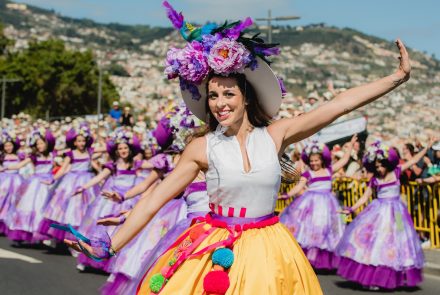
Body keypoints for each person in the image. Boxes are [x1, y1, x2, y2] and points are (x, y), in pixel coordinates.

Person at [65, 2, 411, 294]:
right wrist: (110, 245)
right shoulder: (201, 148)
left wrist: (395, 79)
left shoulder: (276, 135)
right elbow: (155, 199)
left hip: (269, 249)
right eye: (213, 95)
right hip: (213, 245)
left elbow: (338, 106)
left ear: (246, 98)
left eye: (228, 94)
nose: (219, 103)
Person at [336, 139, 434, 290]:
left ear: (387, 163)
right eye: (377, 166)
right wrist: (350, 208)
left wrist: (427, 146)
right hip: (379, 213)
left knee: (401, 238)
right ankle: (376, 277)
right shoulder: (374, 180)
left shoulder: (397, 171)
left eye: (381, 165)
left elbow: (414, 159)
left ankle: (398, 274)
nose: (379, 168)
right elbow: (365, 197)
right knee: (379, 241)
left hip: (398, 213)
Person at [279, 135, 356, 270]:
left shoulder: (329, 170)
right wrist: (287, 195)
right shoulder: (308, 174)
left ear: (322, 160)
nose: (314, 163)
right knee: (310, 230)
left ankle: (321, 259)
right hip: (311, 205)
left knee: (326, 230)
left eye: (316, 160)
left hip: (328, 206)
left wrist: (350, 147)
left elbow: (344, 160)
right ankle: (308, 259)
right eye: (312, 161)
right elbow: (298, 187)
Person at [38, 125, 101, 244]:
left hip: (87, 182)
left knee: (84, 208)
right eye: (79, 141)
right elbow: (62, 169)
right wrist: (53, 179)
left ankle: (80, 237)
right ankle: (60, 238)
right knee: (67, 208)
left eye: (83, 140)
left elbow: (104, 149)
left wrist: (95, 135)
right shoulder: (71, 154)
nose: (81, 143)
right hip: (71, 182)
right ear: (74, 142)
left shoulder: (90, 151)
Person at [4, 128, 56, 243]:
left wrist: (54, 178)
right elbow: (19, 165)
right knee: (32, 207)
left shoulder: (53, 155)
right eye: (38, 144)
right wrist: (6, 167)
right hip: (36, 185)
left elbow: (64, 167)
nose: (40, 146)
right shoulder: (34, 157)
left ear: (47, 144)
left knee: (45, 209)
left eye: (42, 143)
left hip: (48, 185)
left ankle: (41, 232)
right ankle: (28, 231)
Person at [0, 131, 24, 234]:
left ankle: (10, 224)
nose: (8, 148)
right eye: (6, 146)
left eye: (10, 145)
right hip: (4, 180)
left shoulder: (19, 156)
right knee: (2, 201)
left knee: (14, 202)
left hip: (16, 181)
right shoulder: (2, 157)